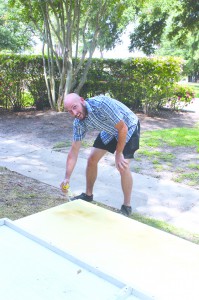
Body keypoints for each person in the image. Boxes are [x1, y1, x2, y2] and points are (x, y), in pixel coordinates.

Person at [60, 93, 140, 216]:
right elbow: (74, 151)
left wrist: (118, 154)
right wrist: (67, 177)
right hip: (109, 130)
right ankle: (88, 195)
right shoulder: (78, 122)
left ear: (82, 100)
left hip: (129, 126)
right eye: (70, 111)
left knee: (122, 165)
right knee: (92, 159)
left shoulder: (101, 105)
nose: (74, 113)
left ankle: (127, 206)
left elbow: (123, 128)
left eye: (75, 107)